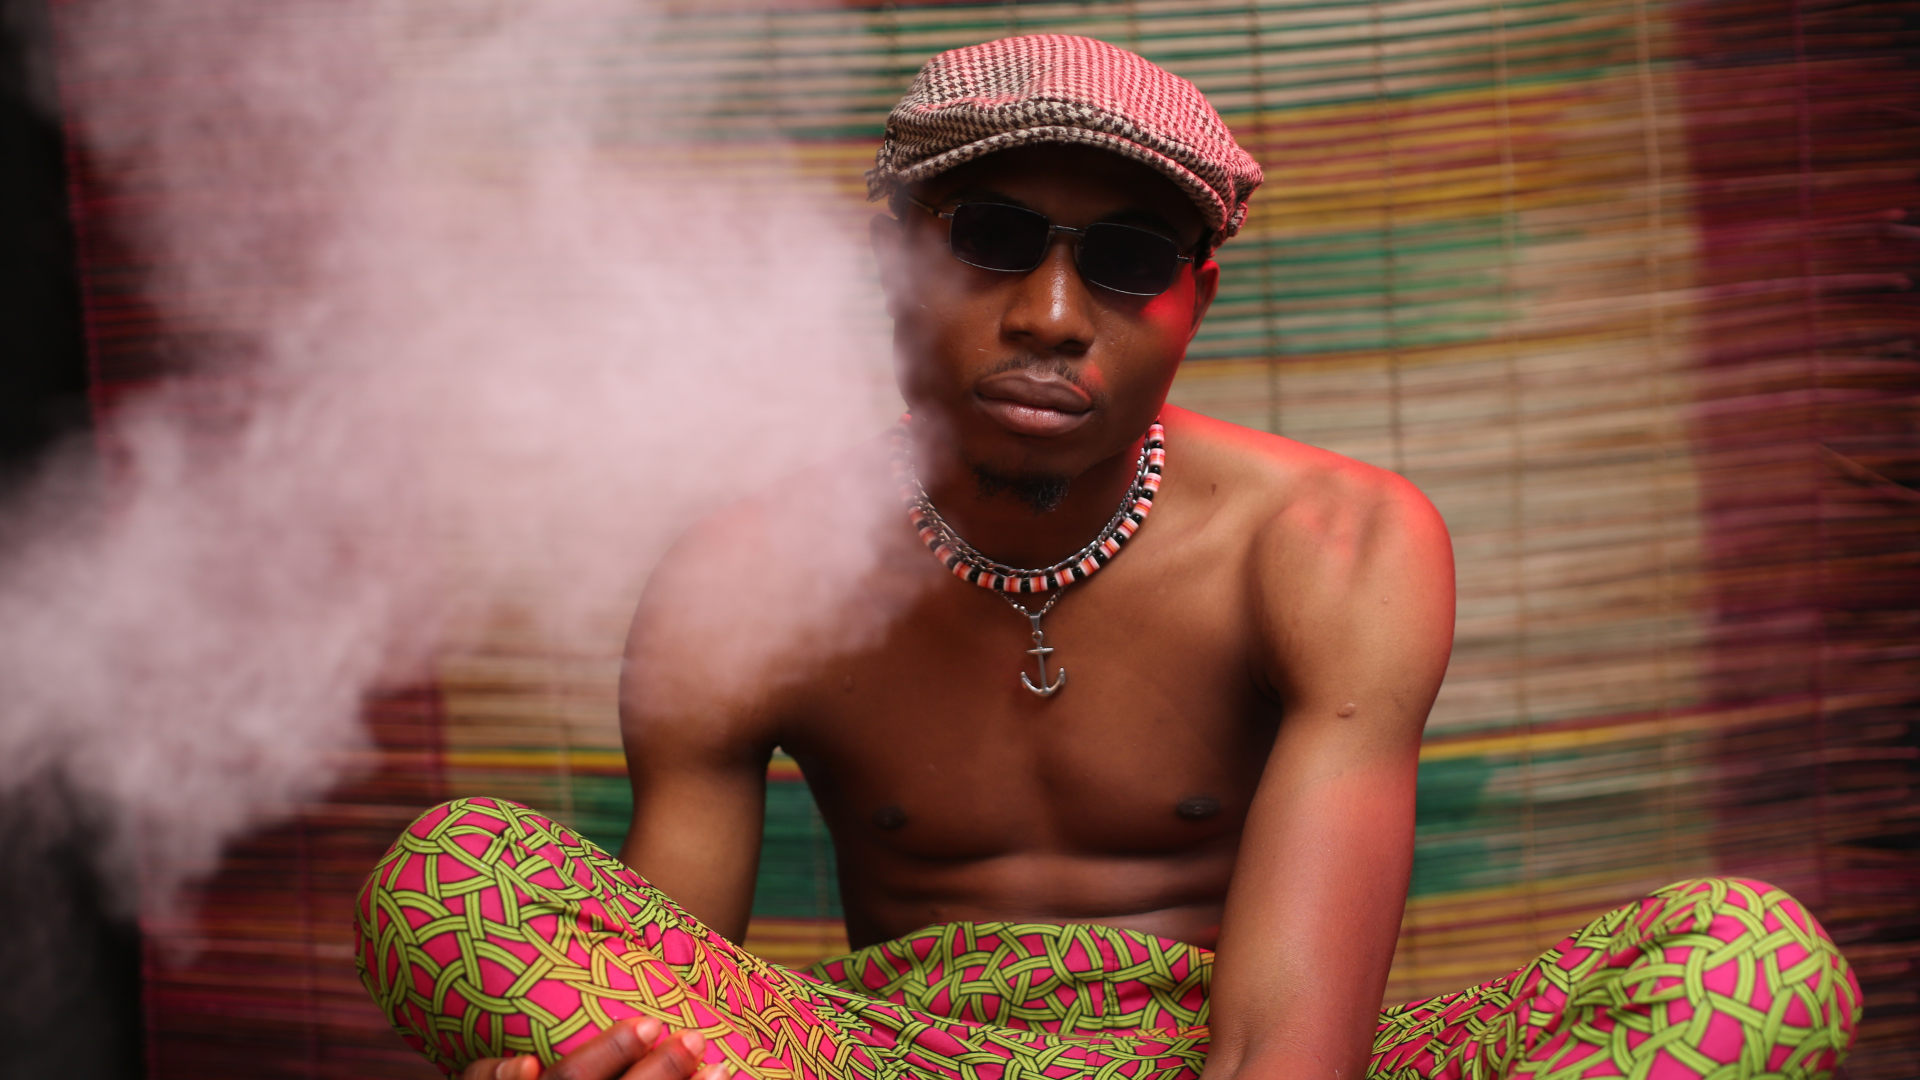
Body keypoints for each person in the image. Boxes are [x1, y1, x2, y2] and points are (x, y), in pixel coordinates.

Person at [355, 34, 1861, 1080]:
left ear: (1196, 300)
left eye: (1129, 261)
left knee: (1752, 959)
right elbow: (675, 992)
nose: (1055, 314)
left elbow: (1297, 1039)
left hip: (1249, 1049)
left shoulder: (1332, 545)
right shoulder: (748, 578)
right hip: (876, 1057)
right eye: (996, 238)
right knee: (451, 874)